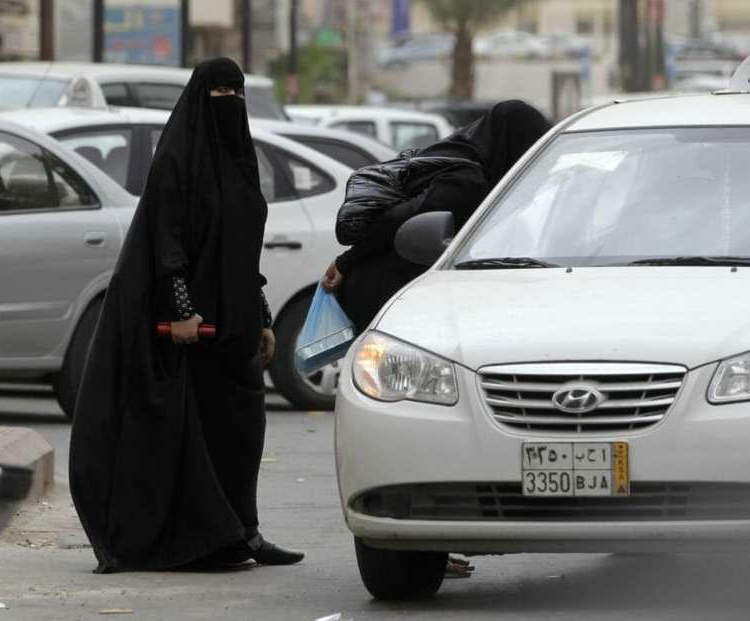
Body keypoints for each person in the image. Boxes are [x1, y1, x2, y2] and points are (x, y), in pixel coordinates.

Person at [68, 58, 303, 573]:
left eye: (237, 92)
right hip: (195, 330)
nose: (230, 102)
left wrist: (262, 316)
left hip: (237, 324)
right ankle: (205, 539)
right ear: (201, 98)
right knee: (199, 436)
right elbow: (167, 243)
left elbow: (244, 252)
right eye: (220, 92)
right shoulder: (177, 162)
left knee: (242, 433)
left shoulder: (241, 161)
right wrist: (182, 312)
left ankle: (245, 532)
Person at [322, 100, 551, 327]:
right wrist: (346, 262)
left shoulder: (478, 171)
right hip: (388, 298)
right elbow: (398, 221)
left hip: (418, 299)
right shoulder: (466, 182)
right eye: (531, 149)